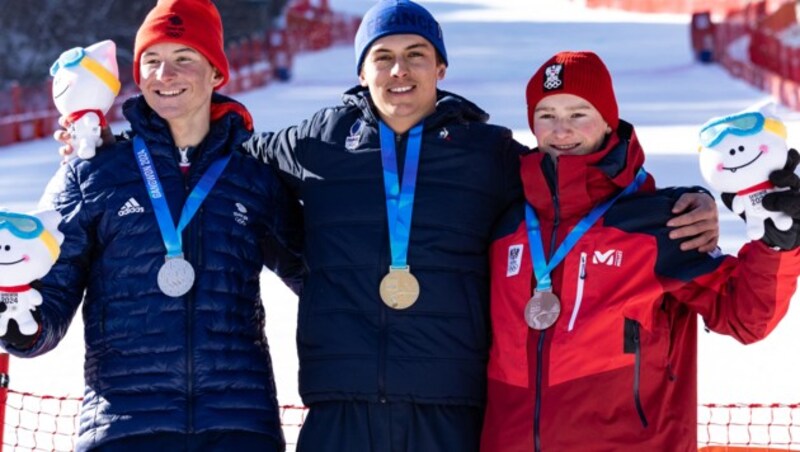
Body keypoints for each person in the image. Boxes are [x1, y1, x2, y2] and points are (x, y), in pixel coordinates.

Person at [57, 2, 719, 450]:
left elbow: (573, 189)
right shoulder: (317, 141)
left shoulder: (485, 153)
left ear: (441, 68)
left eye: (415, 55)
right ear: (361, 70)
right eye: (382, 57)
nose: (398, 71)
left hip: (448, 406)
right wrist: (109, 147)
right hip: (340, 405)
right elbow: (213, 153)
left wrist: (675, 204)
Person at [0, 0, 303, 451]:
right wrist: (15, 306)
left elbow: (323, 280)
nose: (166, 75)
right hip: (123, 426)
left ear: (217, 72)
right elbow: (45, 314)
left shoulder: (252, 178)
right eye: (153, 61)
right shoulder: (93, 175)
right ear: (137, 76)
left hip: (238, 426)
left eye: (185, 59)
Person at [479, 51, 800, 452]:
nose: (561, 130)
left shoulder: (657, 223)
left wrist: (776, 246)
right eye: (546, 114)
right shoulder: (504, 222)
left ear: (608, 120)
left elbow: (744, 316)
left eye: (579, 113)